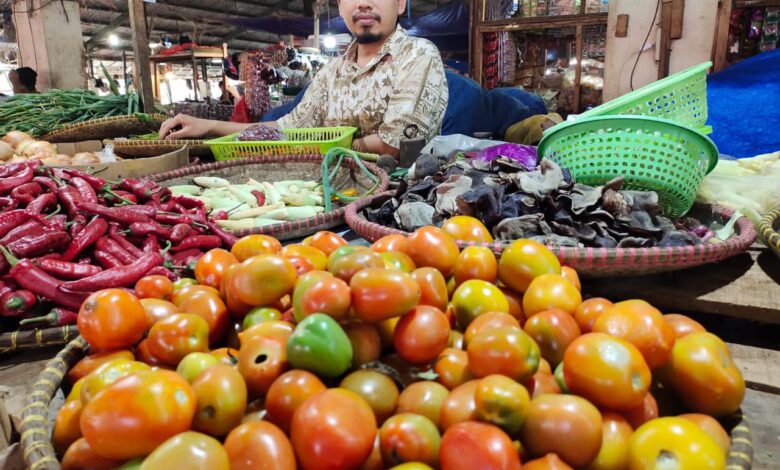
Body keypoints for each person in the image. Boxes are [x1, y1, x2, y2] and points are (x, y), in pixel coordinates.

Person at [159, 0, 448, 157]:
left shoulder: (417, 55)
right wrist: (208, 126)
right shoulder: (332, 72)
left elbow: (395, 144)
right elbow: (287, 129)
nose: (363, 4)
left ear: (400, 3)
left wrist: (320, 145)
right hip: (327, 191)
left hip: (391, 204)